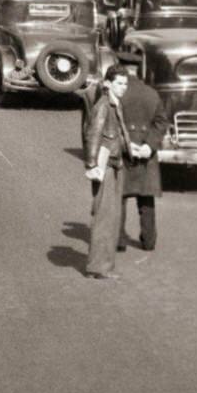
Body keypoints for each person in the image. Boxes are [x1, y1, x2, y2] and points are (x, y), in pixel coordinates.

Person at [84, 65, 130, 280]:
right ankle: (99, 267)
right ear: (108, 83)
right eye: (119, 83)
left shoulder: (113, 104)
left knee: (110, 216)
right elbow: (93, 134)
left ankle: (102, 265)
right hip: (106, 166)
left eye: (125, 84)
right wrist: (92, 165)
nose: (123, 88)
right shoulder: (104, 105)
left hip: (114, 163)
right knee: (105, 216)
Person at [115, 70, 166, 252]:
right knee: (146, 200)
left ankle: (119, 240)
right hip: (146, 155)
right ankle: (149, 241)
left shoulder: (117, 91)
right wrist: (149, 146)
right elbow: (161, 123)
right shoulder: (151, 93)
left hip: (124, 151)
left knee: (119, 197)